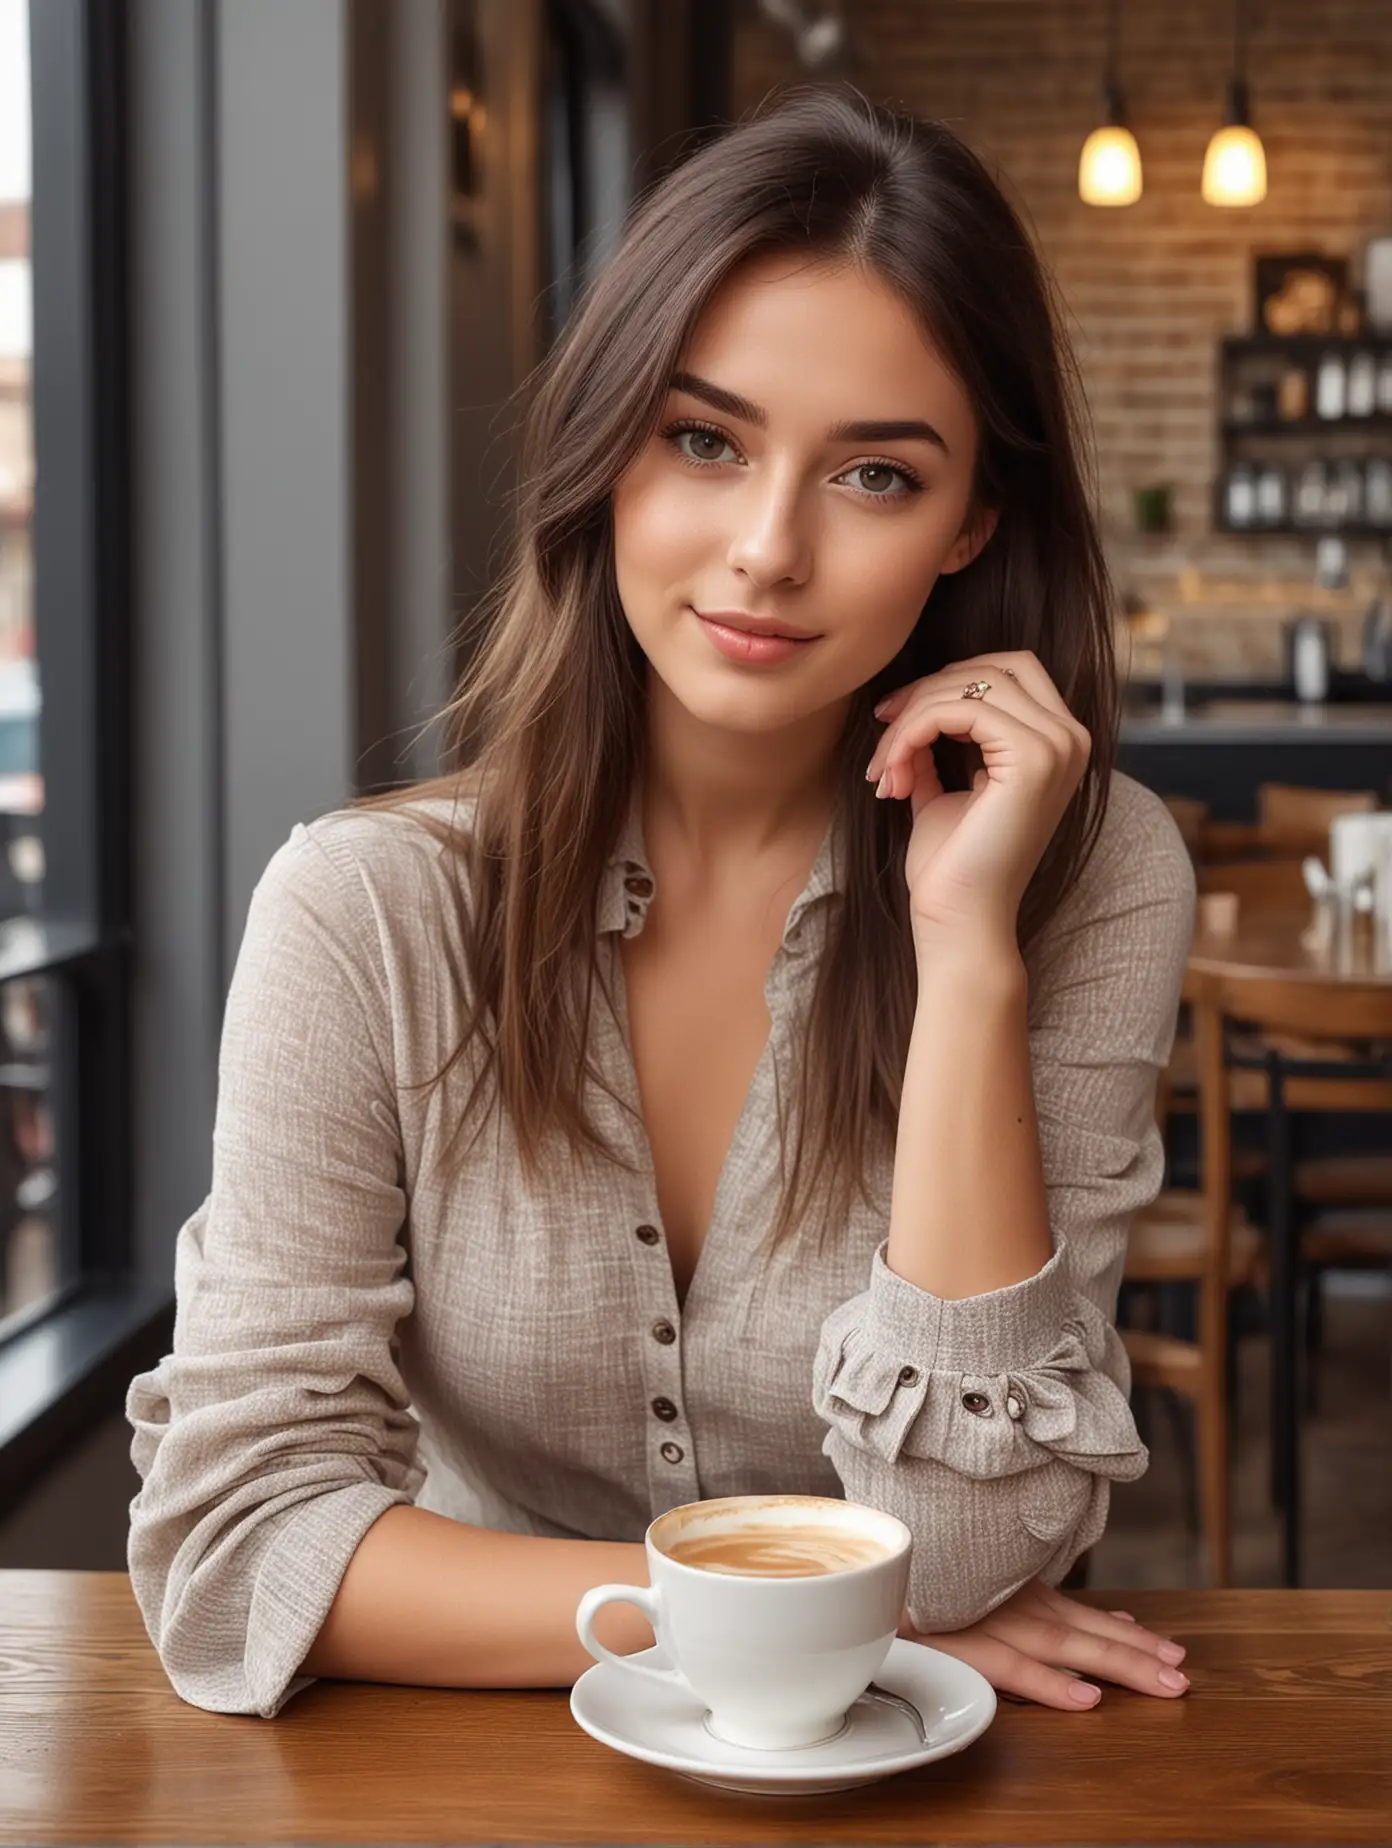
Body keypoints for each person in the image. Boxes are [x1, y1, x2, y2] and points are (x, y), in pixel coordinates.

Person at [126, 84, 1197, 1722]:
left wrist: (967, 954)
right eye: (704, 440)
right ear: (608, 447)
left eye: (876, 478)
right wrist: (795, 1619)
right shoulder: (363, 913)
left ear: (974, 521)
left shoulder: (1090, 876)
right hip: (465, 1785)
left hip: (917, 1789)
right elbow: (233, 1543)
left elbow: (971, 1555)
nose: (766, 550)